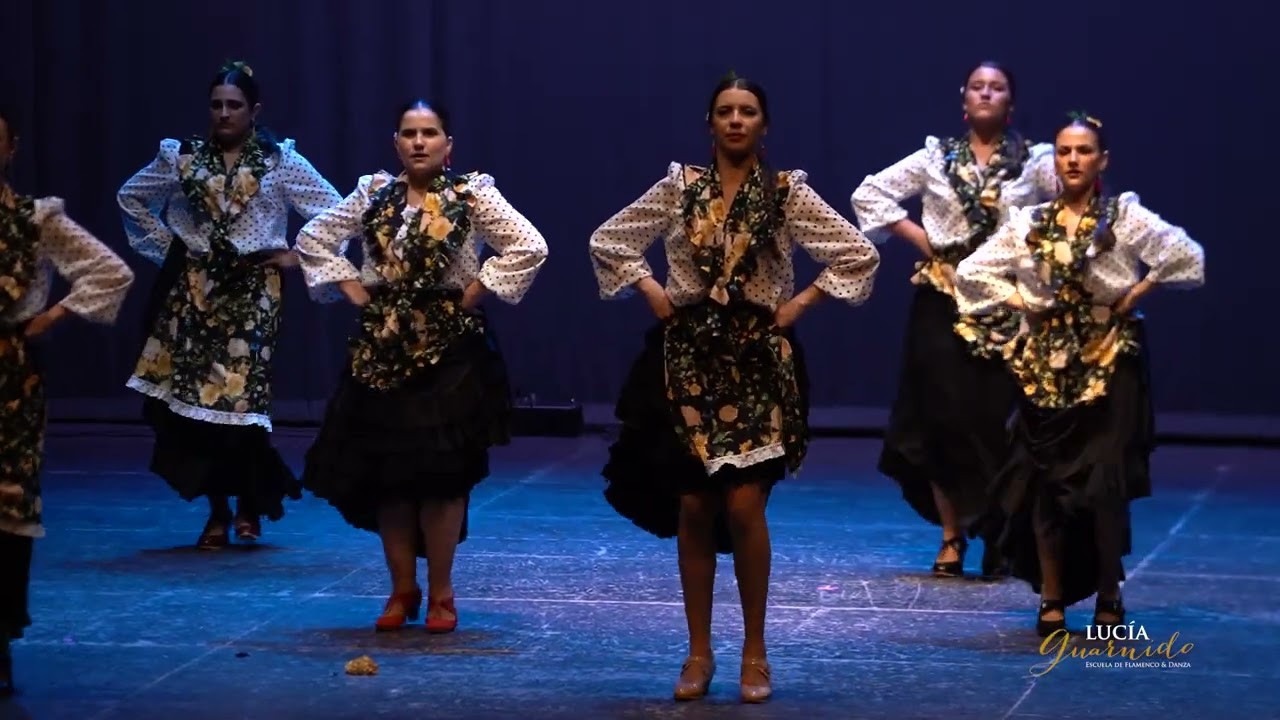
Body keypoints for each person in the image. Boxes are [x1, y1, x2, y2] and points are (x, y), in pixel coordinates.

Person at [588, 73, 880, 703]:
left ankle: (756, 649)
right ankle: (698, 651)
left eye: (748, 111)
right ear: (710, 123)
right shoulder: (680, 188)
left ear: (764, 125)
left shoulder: (784, 194)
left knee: (745, 503)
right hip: (689, 355)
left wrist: (798, 304)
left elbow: (855, 252)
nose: (737, 121)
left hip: (755, 357)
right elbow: (610, 240)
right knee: (694, 505)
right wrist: (652, 291)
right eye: (725, 111)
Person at [294, 99, 548, 635]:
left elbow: (528, 244)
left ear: (448, 145)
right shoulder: (374, 194)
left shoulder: (471, 194)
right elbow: (314, 237)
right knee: (390, 473)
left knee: (441, 475)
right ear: (395, 142)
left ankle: (442, 591)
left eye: (430, 133)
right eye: (409, 133)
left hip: (448, 348)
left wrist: (474, 291)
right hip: (383, 345)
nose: (418, 142)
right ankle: (401, 586)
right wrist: (355, 291)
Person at [954, 112, 1205, 636]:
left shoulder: (1124, 217)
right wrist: (1020, 297)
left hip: (1109, 359)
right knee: (1046, 484)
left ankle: (1109, 589)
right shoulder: (1030, 222)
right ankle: (1051, 594)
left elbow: (1187, 257)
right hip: (1045, 367)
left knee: (1102, 483)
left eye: (1084, 151)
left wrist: (1136, 293)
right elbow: (972, 271)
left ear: (1102, 160)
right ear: (1054, 161)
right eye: (1065, 151)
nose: (1073, 159)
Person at [117, 60, 344, 549]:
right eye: (217, 104)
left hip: (253, 294)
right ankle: (217, 510)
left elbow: (336, 210)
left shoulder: (278, 161)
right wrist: (172, 250)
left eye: (234, 105)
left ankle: (248, 506)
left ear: (254, 110)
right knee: (199, 408)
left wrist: (294, 256)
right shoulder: (184, 158)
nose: (224, 113)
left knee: (242, 401)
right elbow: (131, 197)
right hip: (195, 294)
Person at [850, 61, 1057, 579]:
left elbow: (1072, 195)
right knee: (940, 420)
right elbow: (869, 193)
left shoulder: (1034, 162)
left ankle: (998, 528)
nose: (987, 94)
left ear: (1010, 102)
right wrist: (927, 243)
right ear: (963, 100)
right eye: (978, 87)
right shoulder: (935, 156)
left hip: (1004, 301)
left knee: (994, 419)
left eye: (998, 87)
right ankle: (951, 536)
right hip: (942, 299)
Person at [0, 103, 136, 695]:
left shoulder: (33, 220)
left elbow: (108, 272)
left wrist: (49, 316)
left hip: (9, 376)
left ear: (10, 149)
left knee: (6, 506)